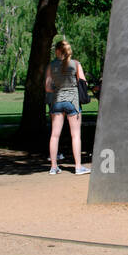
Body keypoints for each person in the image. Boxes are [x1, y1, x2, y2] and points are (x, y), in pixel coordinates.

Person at [46, 38, 91, 175]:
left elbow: (48, 88)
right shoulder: (76, 64)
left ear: (58, 51)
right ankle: (78, 167)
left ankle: (53, 167)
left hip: (57, 102)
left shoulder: (51, 66)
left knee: (54, 135)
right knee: (75, 135)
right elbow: (84, 83)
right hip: (73, 102)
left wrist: (58, 89)